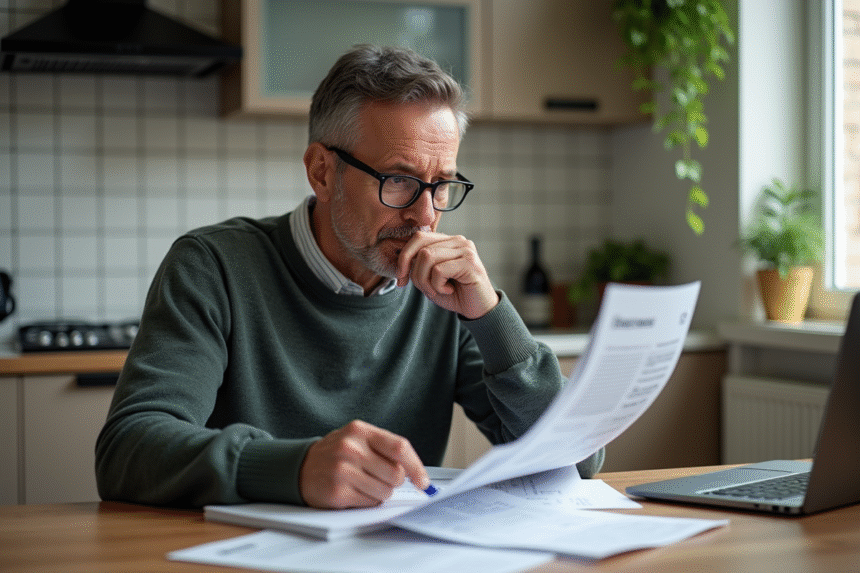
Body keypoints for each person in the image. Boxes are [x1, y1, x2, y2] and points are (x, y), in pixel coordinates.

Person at [95, 44, 604, 510]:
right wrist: (294, 469)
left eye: (441, 185)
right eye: (399, 180)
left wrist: (491, 317)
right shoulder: (213, 267)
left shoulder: (445, 291)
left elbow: (579, 461)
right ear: (321, 171)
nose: (426, 216)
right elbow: (127, 449)